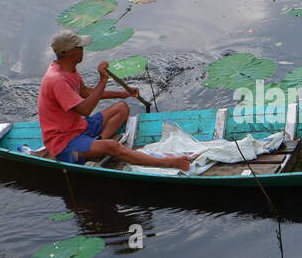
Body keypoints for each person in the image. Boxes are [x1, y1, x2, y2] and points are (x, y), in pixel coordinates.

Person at [37, 32, 192, 171]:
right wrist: (103, 79)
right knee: (112, 146)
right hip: (64, 144)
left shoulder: (68, 68)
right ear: (72, 52)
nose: (84, 50)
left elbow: (85, 92)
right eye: (81, 47)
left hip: (79, 127)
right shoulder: (57, 80)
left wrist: (122, 94)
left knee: (121, 108)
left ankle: (96, 146)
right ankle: (170, 163)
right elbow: (85, 109)